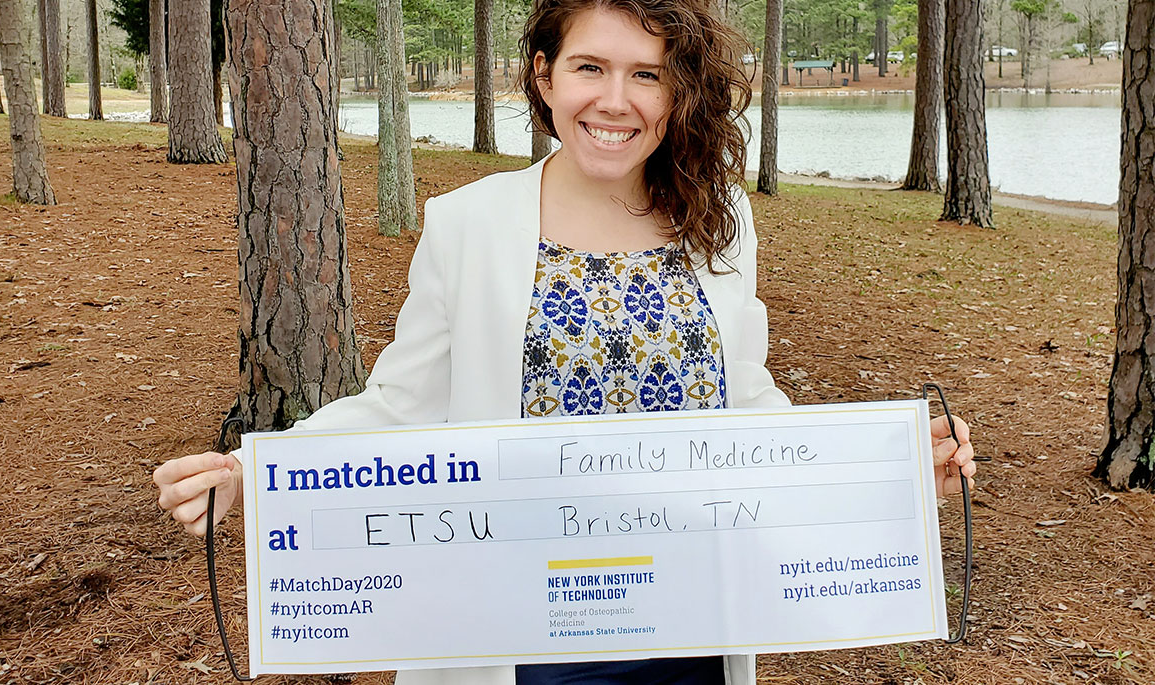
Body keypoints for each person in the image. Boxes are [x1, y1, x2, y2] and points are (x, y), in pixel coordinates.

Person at [154, 0, 976, 683]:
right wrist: (258, 479)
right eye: (590, 67)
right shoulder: (467, 224)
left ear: (676, 90)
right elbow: (400, 408)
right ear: (544, 75)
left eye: (646, 74)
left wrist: (888, 481)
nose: (615, 101)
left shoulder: (719, 218)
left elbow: (749, 405)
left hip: (690, 634)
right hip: (520, 644)